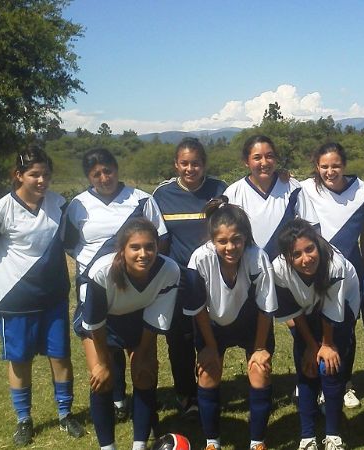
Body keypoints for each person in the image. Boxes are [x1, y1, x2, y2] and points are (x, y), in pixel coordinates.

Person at [0, 146, 85, 446]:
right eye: (34, 174)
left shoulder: (59, 205)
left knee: (60, 357)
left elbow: (72, 243)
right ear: (18, 175)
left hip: (53, 297)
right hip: (15, 299)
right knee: (20, 360)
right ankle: (24, 419)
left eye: (46, 174)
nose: (41, 180)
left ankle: (65, 414)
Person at [64, 148, 167, 423]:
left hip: (138, 283)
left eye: (107, 170)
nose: (103, 177)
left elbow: (161, 239)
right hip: (96, 284)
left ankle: (147, 402)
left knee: (141, 345)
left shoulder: (141, 199)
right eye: (96, 173)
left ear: (116, 169)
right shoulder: (78, 205)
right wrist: (99, 266)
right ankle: (118, 399)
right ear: (88, 176)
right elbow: (71, 244)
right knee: (105, 344)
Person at [184, 197, 277, 450]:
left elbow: (266, 307)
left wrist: (259, 348)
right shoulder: (199, 259)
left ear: (245, 237)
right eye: (222, 241)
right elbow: (198, 310)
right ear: (212, 241)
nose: (230, 247)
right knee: (208, 371)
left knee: (259, 370)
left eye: (236, 239)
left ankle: (258, 441)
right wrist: (210, 347)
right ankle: (212, 441)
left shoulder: (258, 257)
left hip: (251, 323)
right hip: (212, 324)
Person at [80, 218, 180, 450]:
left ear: (157, 247)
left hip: (138, 318)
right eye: (135, 247)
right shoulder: (102, 271)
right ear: (122, 249)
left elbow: (155, 319)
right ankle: (108, 447)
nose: (143, 253)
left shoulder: (169, 270)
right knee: (102, 380)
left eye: (150, 246)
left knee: (144, 374)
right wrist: (104, 363)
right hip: (102, 323)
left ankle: (139, 445)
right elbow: (95, 323)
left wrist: (142, 356)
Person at [299, 142, 364, 409]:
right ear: (316, 167)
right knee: (314, 326)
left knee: (345, 328)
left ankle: (345, 383)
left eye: (335, 165)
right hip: (315, 271)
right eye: (324, 166)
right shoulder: (305, 188)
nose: (330, 171)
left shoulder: (363, 191)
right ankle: (311, 380)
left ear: (344, 165)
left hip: (351, 274)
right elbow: (282, 189)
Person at [152, 137, 227, 417]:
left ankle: (209, 389)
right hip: (178, 280)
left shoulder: (220, 189)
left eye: (195, 163)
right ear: (176, 164)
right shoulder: (162, 195)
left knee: (210, 336)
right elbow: (159, 239)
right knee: (180, 339)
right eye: (184, 163)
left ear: (204, 164)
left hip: (214, 277)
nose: (190, 168)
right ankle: (186, 394)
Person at [273, 219, 360, 450]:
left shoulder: (334, 263)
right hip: (306, 311)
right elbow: (293, 311)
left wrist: (327, 344)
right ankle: (307, 437)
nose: (306, 258)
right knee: (307, 365)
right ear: (286, 257)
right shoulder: (278, 269)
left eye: (309, 249)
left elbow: (332, 310)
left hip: (343, 306)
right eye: (297, 254)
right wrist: (311, 345)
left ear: (317, 243)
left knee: (329, 366)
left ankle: (333, 435)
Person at [223, 134, 318, 260]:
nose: (264, 162)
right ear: (246, 161)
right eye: (257, 158)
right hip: (248, 267)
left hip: (288, 267)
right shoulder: (233, 193)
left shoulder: (292, 187)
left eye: (269, 156)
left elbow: (312, 227)